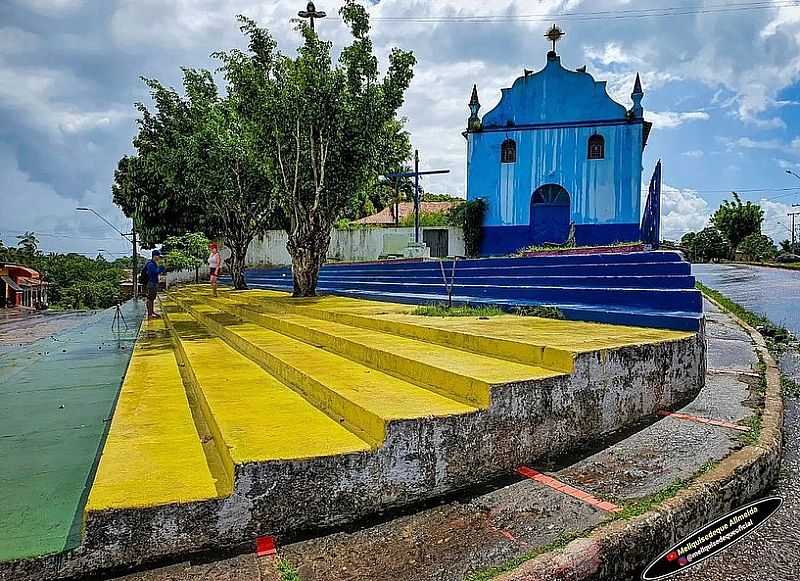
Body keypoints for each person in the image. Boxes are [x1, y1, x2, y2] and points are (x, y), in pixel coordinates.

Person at [144, 249, 165, 319]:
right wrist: (161, 268)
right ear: (154, 256)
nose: (159, 257)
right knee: (150, 299)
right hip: (151, 283)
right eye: (158, 256)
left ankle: (152, 312)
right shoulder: (150, 264)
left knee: (152, 298)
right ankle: (150, 314)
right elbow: (154, 273)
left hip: (154, 283)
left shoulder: (154, 263)